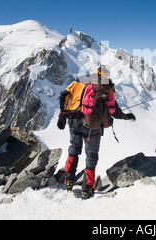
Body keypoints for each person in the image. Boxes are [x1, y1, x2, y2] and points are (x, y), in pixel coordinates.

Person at [57, 65, 136, 199]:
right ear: (106, 74)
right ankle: (87, 188)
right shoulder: (106, 86)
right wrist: (125, 116)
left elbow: (64, 95)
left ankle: (69, 180)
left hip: (74, 119)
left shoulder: (81, 79)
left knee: (74, 148)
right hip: (92, 125)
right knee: (91, 156)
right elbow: (113, 110)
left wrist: (62, 114)